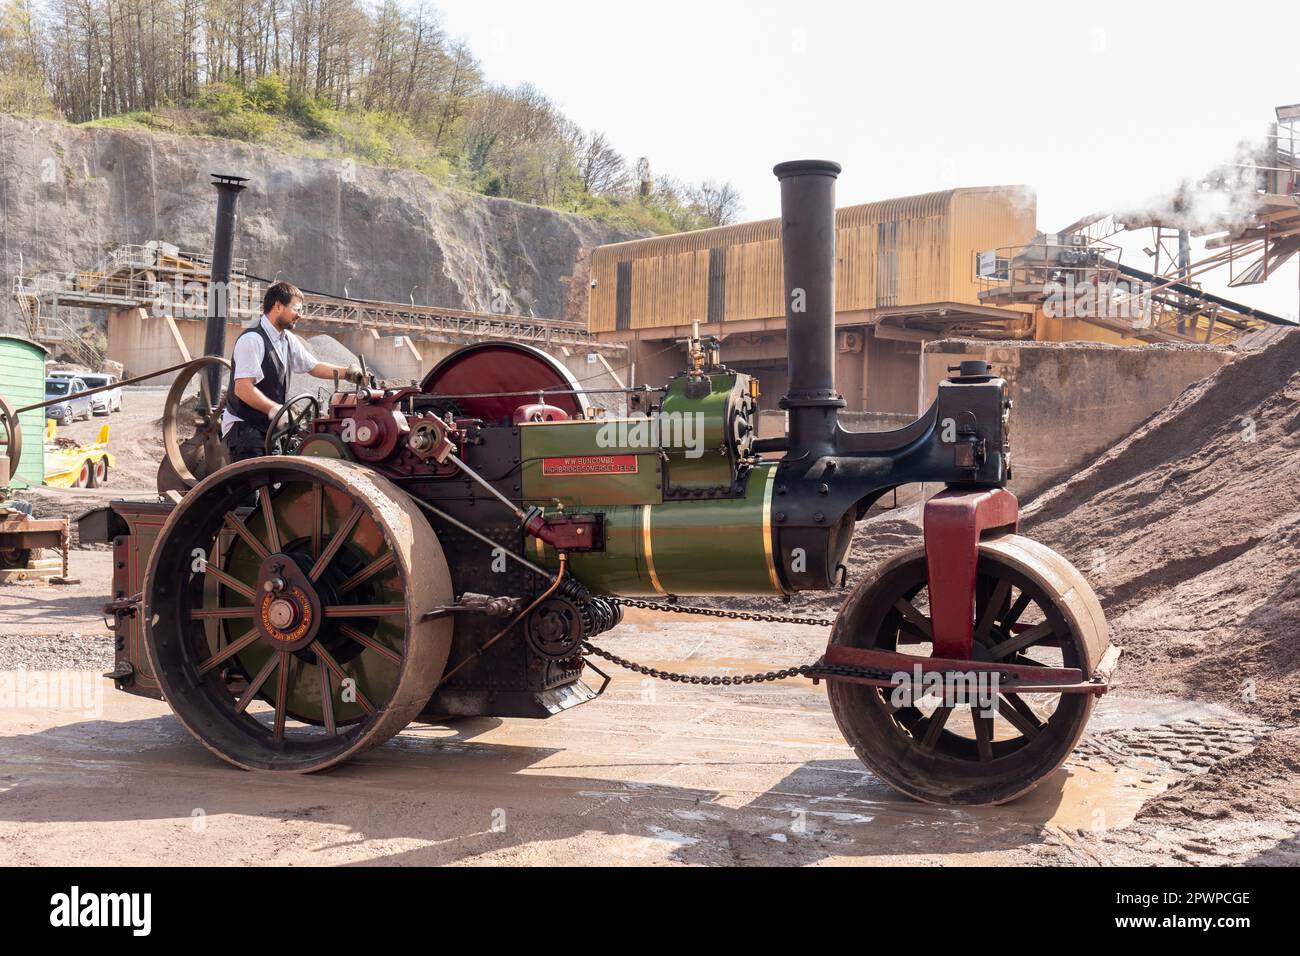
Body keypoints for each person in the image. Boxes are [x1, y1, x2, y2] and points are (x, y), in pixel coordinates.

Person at [221, 281, 364, 462]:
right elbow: (242, 388)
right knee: (251, 487)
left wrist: (349, 373)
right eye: (296, 309)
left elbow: (313, 366)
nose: (300, 315)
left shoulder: (287, 340)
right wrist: (274, 409)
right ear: (278, 306)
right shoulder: (252, 339)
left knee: (274, 487)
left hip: (271, 429)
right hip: (245, 430)